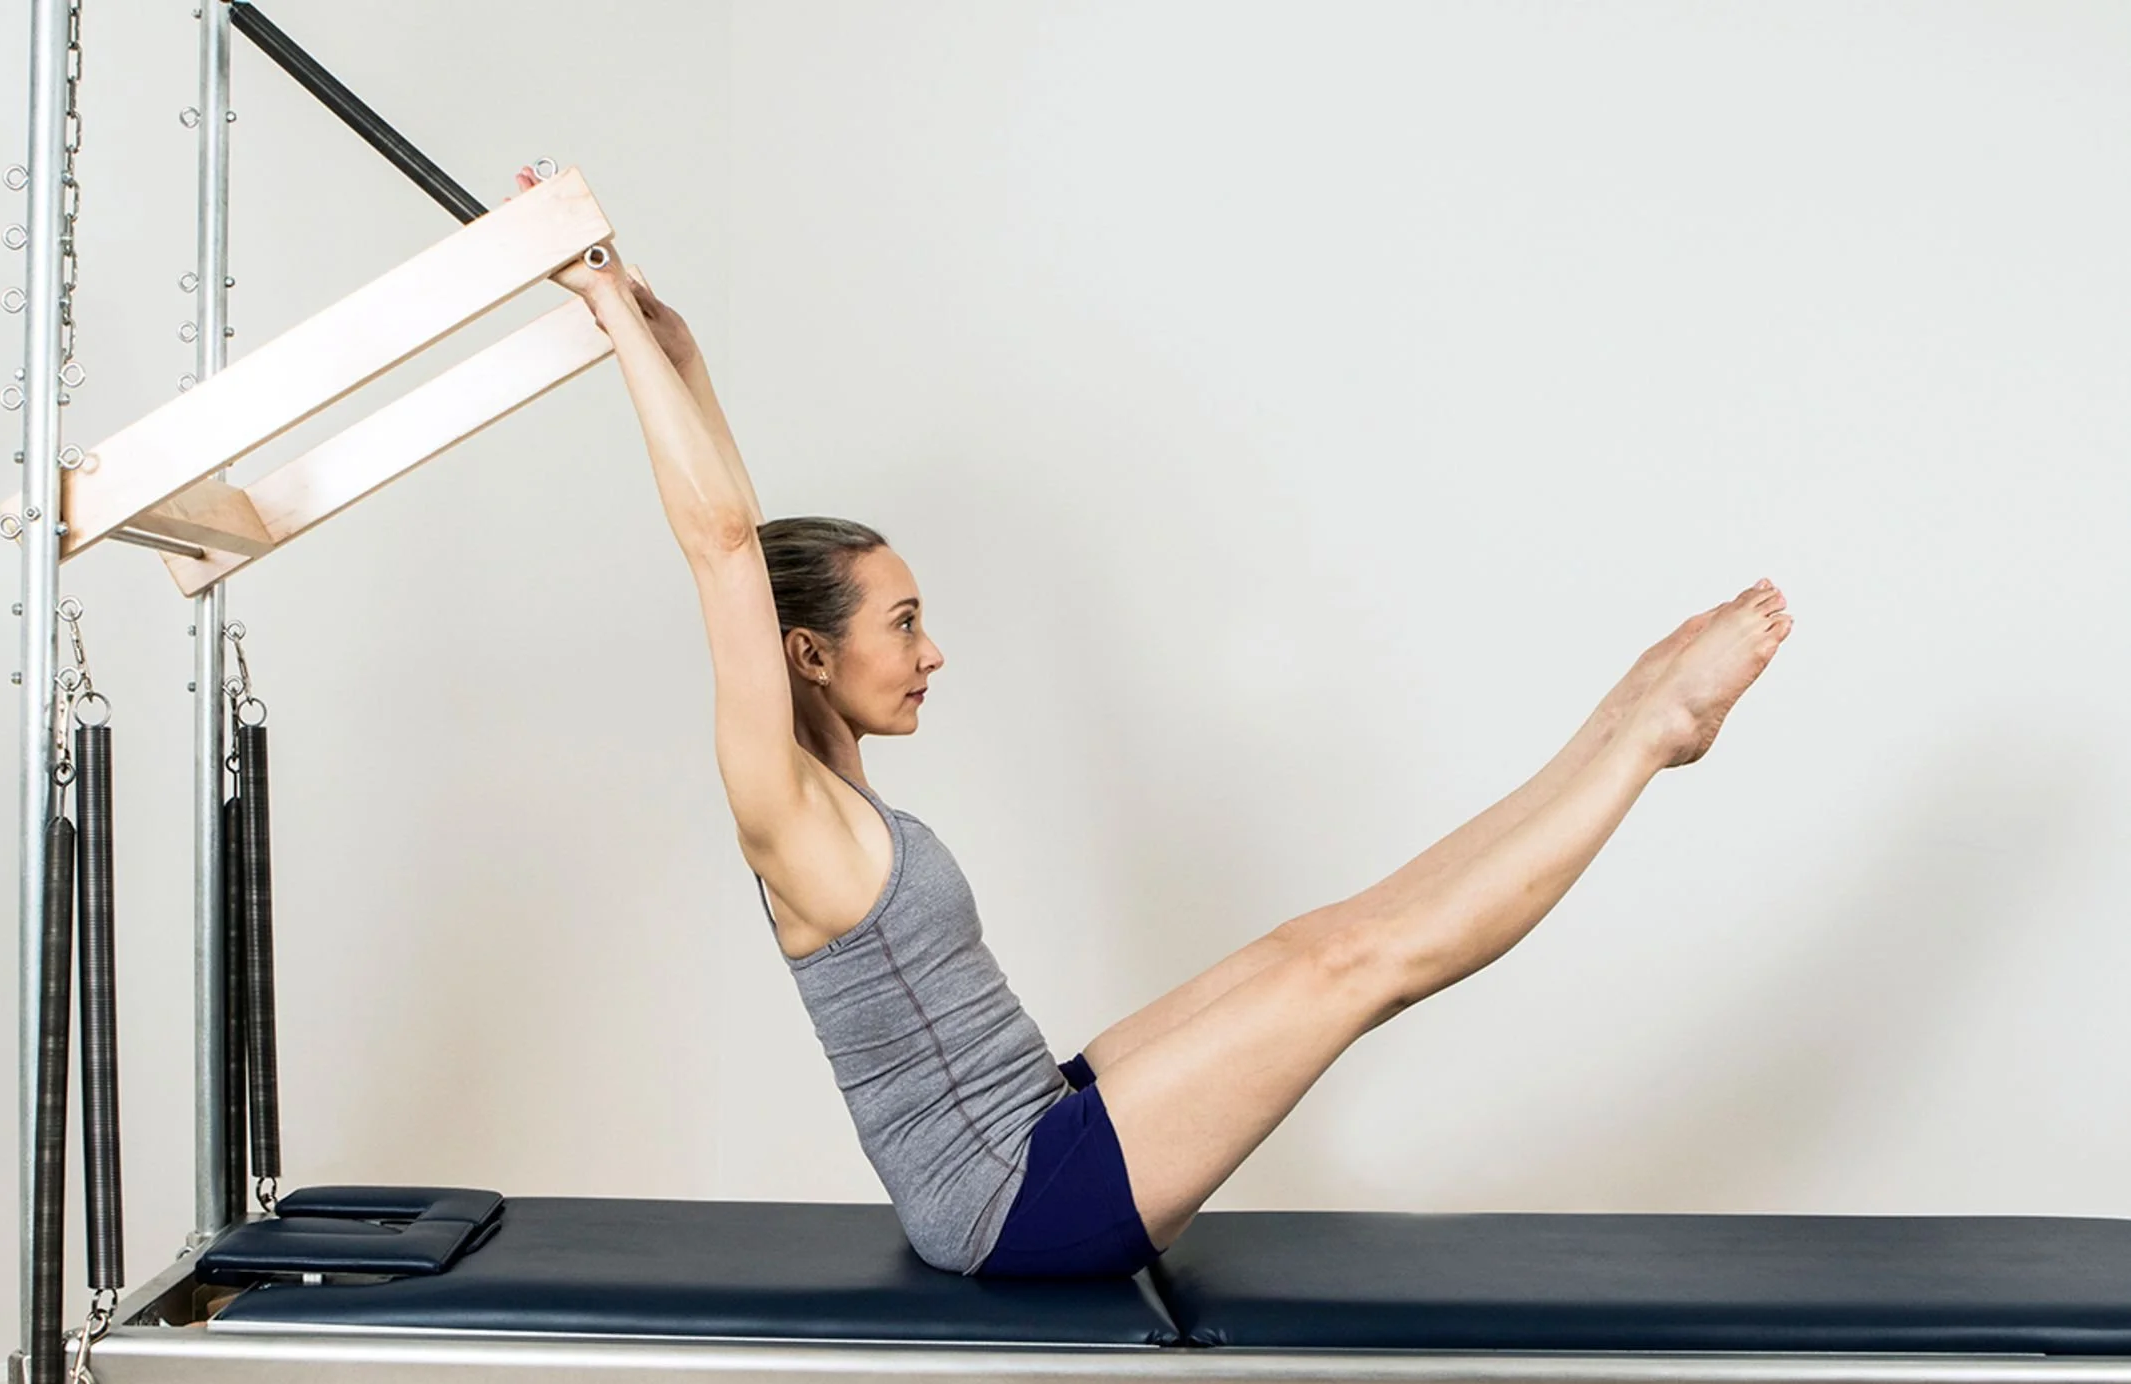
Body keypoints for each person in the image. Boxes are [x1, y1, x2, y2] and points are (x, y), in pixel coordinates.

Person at [529, 167, 1795, 1279]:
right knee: (1352, 970)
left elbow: (743, 544)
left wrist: (679, 355)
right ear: (807, 655)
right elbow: (721, 553)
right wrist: (602, 306)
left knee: (1318, 937)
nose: (931, 651)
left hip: (1040, 1113)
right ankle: (1649, 737)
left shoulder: (829, 780)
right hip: (1010, 1198)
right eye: (902, 623)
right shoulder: (783, 808)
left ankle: (1613, 728)